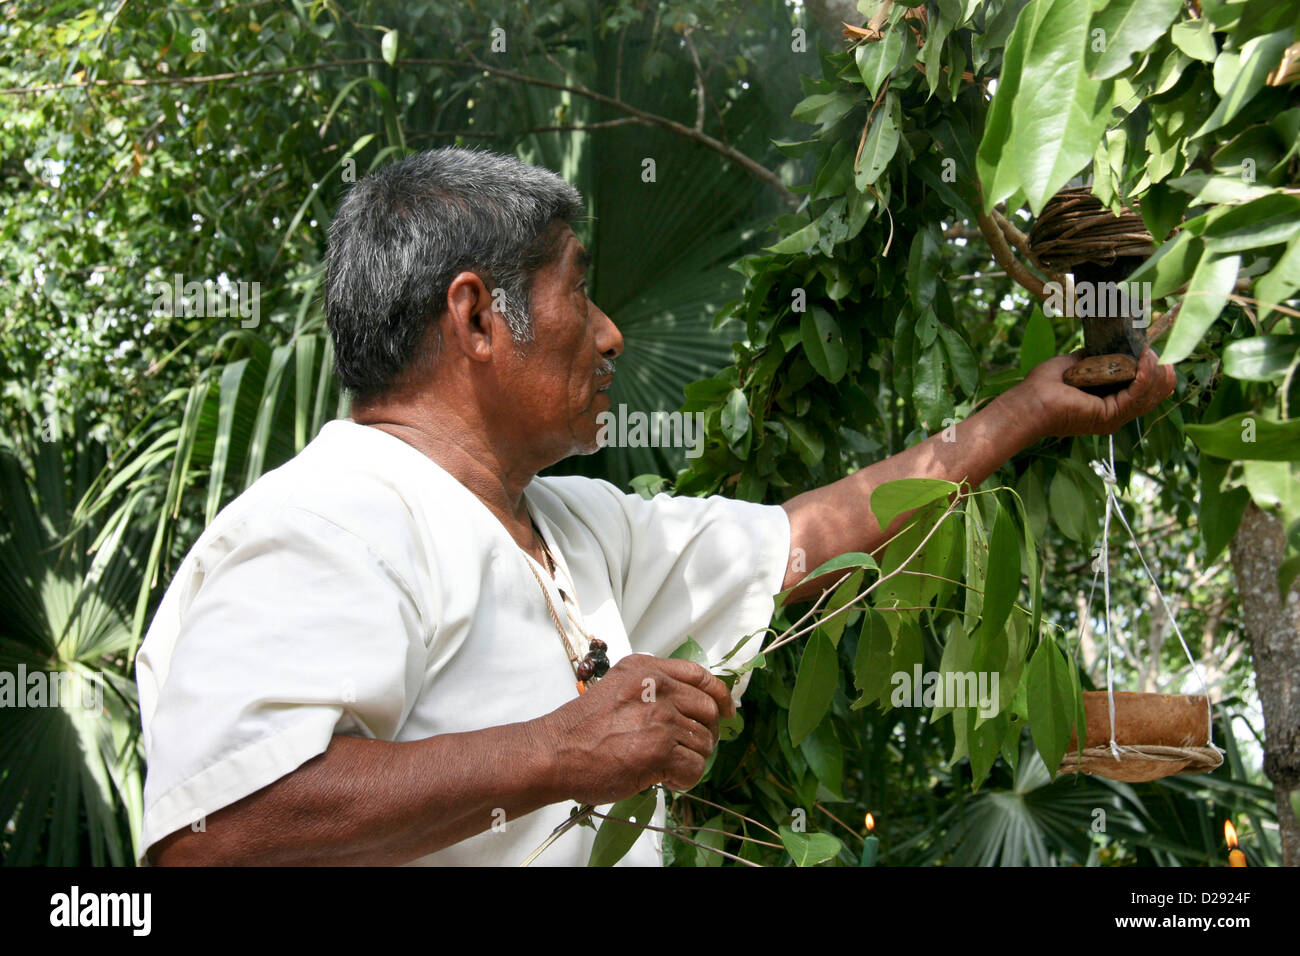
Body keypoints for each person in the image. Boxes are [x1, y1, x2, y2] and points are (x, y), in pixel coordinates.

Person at [137, 147, 1175, 866]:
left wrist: (1022, 414)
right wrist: (560, 750)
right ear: (476, 314)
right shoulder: (329, 519)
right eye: (577, 290)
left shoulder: (577, 528)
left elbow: (809, 535)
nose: (610, 333)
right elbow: (215, 830)